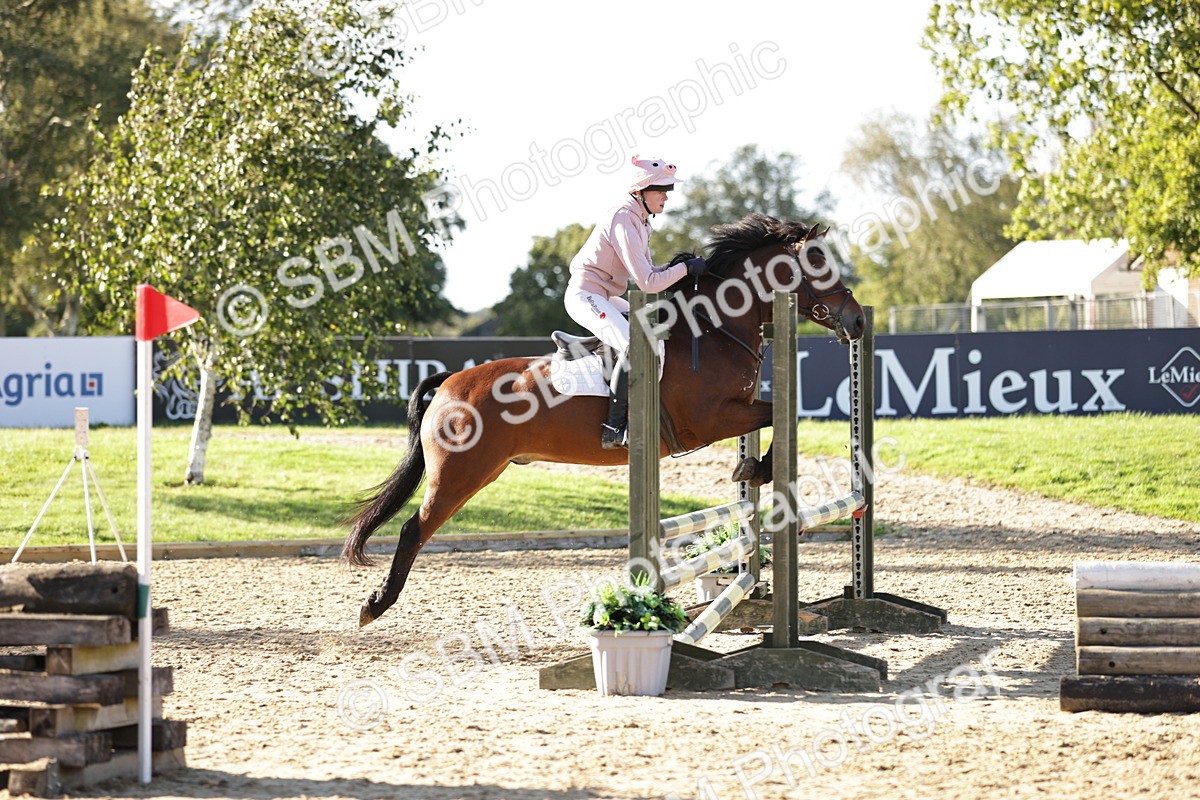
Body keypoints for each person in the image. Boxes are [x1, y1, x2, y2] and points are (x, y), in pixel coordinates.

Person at [565, 156, 708, 449]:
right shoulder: (624, 217)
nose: (666, 196)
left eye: (667, 190)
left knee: (652, 329)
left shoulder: (641, 222)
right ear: (639, 191)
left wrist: (681, 265)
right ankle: (613, 427)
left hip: (605, 298)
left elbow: (652, 273)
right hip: (586, 295)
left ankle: (582, 346)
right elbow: (648, 283)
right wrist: (684, 269)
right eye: (660, 190)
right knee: (635, 344)